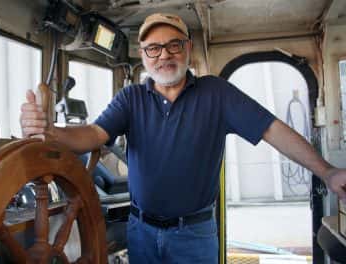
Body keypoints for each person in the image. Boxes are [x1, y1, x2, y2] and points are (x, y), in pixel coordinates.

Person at [20, 13, 346, 264]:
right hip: (141, 230)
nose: (164, 55)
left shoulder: (216, 93)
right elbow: (93, 134)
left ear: (187, 49)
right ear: (144, 55)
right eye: (153, 48)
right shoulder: (130, 98)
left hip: (195, 233)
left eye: (174, 45)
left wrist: (327, 172)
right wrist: (52, 132)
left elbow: (273, 130)